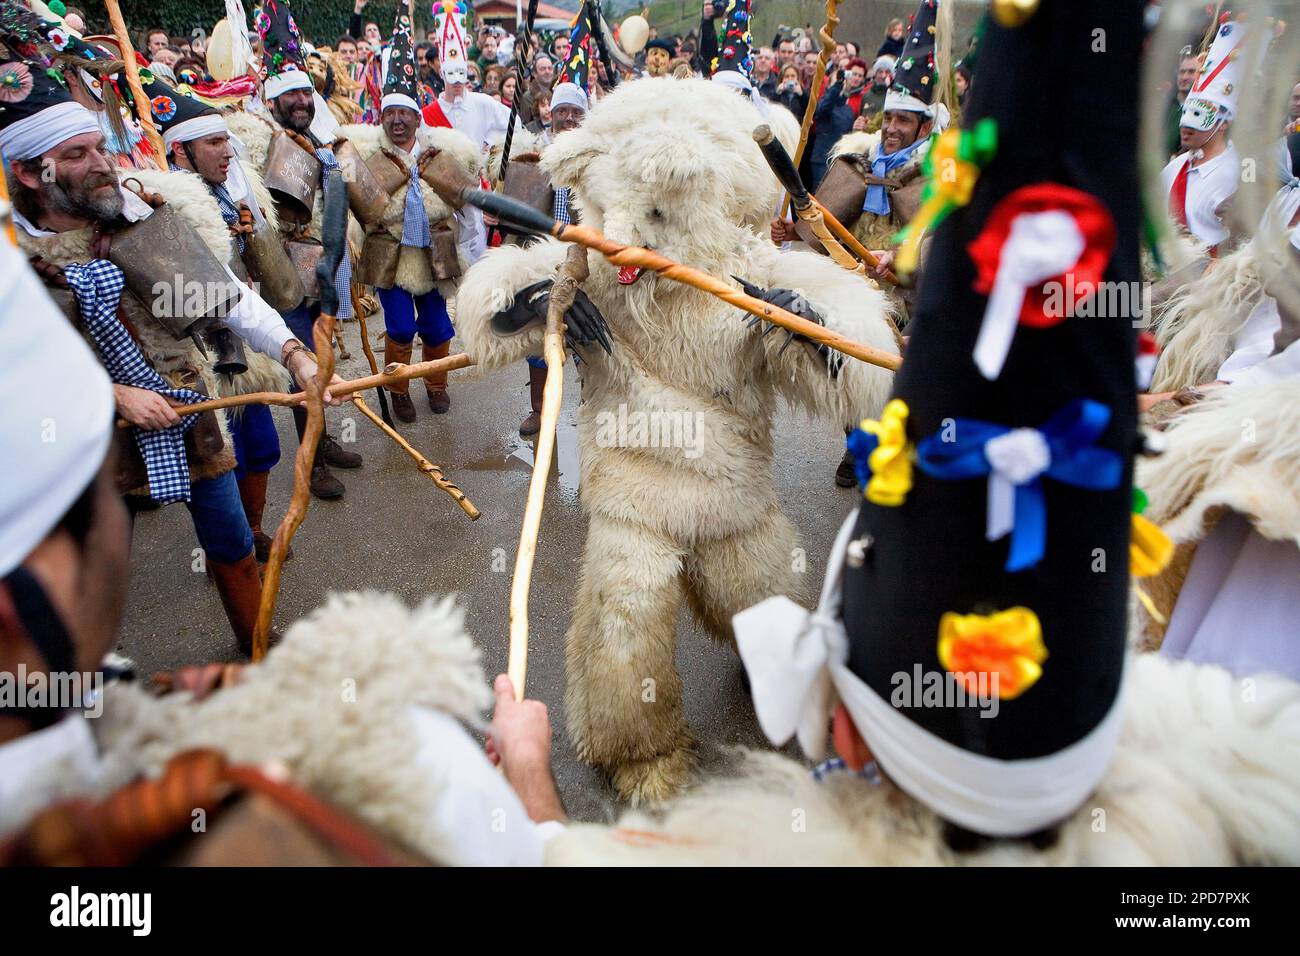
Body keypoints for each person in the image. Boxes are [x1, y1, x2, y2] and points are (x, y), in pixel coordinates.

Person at [0, 253, 568, 864]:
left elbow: (233, 299)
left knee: (238, 527)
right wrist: (529, 772)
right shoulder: (398, 770)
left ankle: (255, 629)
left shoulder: (107, 726)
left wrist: (295, 353)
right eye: (102, 494)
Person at [1, 62, 336, 656]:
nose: (103, 162)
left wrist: (294, 354)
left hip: (185, 403)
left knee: (231, 537)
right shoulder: (12, 258)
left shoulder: (141, 216)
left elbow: (228, 299)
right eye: (76, 154)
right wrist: (111, 397)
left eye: (100, 146)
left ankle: (254, 641)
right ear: (28, 172)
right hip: (81, 440)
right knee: (90, 572)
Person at [152, 74, 294, 564]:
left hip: (243, 345)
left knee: (261, 447)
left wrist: (248, 234)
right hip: (196, 356)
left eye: (225, 140)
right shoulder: (160, 211)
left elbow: (245, 281)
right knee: (217, 464)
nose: (226, 151)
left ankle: (250, 532)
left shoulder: (225, 194)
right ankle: (227, 553)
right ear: (180, 153)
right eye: (214, 142)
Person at [235, 0, 365, 500]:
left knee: (324, 358)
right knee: (299, 367)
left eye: (306, 96)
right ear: (273, 101)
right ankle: (310, 462)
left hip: (321, 273)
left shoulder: (323, 142)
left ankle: (324, 439)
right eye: (290, 98)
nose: (301, 104)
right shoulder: (256, 141)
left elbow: (346, 199)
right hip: (281, 276)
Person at [343, 7, 480, 420]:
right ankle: (398, 389)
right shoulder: (368, 157)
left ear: (417, 118)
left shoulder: (442, 154)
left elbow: (467, 204)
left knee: (438, 328)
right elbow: (351, 203)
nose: (398, 121)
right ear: (381, 117)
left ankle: (436, 382)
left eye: (405, 114)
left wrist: (474, 252)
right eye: (390, 114)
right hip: (392, 258)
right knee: (401, 327)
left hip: (436, 257)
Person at [424, 0, 519, 267]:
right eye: (450, 73)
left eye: (460, 73)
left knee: (477, 260)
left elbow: (514, 131)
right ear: (441, 70)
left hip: (477, 195)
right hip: (442, 198)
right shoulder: (428, 114)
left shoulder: (484, 104)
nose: (456, 81)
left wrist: (493, 168)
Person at [1159, 21, 1246, 254]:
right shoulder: (1173, 169)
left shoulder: (1241, 171)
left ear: (1224, 122)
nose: (1185, 124)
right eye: (1186, 112)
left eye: (1198, 115)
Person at [810, 56, 869, 185]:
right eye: (853, 74)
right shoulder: (826, 101)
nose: (856, 78)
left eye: (860, 76)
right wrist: (837, 85)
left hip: (839, 160)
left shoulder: (848, 109)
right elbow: (822, 109)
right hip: (821, 159)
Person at [1165, 49, 1201, 157]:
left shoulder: (1203, 109)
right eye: (1182, 72)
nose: (1185, 77)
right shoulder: (1164, 107)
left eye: (1191, 72)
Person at [857, 55, 893, 122]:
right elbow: (861, 118)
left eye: (887, 72)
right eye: (880, 72)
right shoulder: (867, 95)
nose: (883, 76)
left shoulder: (893, 96)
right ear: (875, 74)